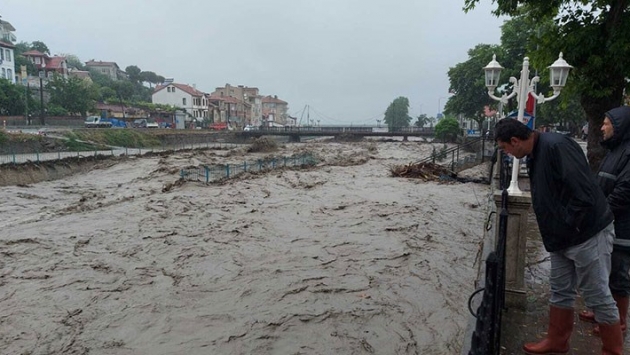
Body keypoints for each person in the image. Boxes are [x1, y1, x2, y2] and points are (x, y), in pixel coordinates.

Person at [494, 118, 623, 354]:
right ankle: (557, 340)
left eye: (506, 148)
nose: (508, 154)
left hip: (586, 233)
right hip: (562, 236)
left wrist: (568, 225)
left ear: (514, 141)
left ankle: (612, 350)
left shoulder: (557, 146)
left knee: (597, 295)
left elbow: (583, 194)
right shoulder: (535, 151)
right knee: (560, 289)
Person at [579, 106, 630, 336]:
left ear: (618, 126)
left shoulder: (628, 153)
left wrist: (602, 213)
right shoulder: (614, 150)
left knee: (618, 273)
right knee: (603, 269)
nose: (602, 127)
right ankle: (602, 311)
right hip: (607, 222)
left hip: (622, 226)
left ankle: (617, 321)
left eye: (606, 123)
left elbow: (625, 191)